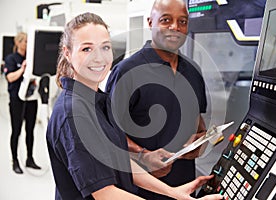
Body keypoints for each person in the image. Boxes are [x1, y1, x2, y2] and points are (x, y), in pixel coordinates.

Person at [46, 12, 223, 200]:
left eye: (105, 47)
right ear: (67, 52)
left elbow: (120, 160)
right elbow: (106, 194)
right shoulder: (74, 114)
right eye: (86, 49)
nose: (99, 58)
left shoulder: (97, 101)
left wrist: (174, 193)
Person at [105, 0, 212, 199]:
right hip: (140, 190)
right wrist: (142, 155)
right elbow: (109, 133)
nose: (175, 27)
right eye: (166, 20)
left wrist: (202, 139)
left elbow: (197, 120)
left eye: (182, 21)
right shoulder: (127, 72)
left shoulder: (193, 72)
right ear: (150, 22)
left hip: (186, 188)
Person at [3, 32, 41, 174]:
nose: (27, 43)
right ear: (18, 43)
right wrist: (23, 69)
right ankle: (15, 160)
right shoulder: (11, 59)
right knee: (16, 130)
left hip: (31, 99)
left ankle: (29, 159)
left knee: (30, 130)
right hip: (17, 100)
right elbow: (10, 78)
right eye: (25, 41)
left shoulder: (31, 58)